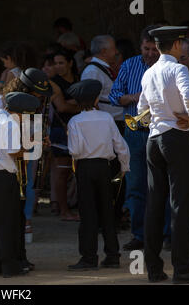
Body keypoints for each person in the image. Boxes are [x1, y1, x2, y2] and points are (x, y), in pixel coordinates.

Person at [139, 26, 189, 284]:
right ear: (177, 45)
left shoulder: (149, 73)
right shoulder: (178, 69)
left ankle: (154, 268)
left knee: (155, 204)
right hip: (175, 138)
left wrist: (160, 119)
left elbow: (141, 110)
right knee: (180, 204)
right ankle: (182, 268)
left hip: (153, 139)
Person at [109, 25, 172, 251]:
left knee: (164, 185)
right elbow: (114, 96)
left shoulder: (170, 66)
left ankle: (166, 234)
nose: (150, 54)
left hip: (162, 130)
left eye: (154, 49)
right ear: (141, 46)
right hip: (135, 133)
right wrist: (134, 97)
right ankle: (140, 234)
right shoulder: (129, 65)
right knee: (136, 186)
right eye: (146, 49)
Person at [67, 79, 129, 271]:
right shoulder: (106, 118)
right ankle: (112, 255)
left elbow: (75, 151)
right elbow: (121, 146)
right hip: (105, 167)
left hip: (85, 168)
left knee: (88, 214)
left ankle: (88, 258)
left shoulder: (74, 121)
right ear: (95, 99)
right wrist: (124, 168)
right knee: (107, 212)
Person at [0, 91, 40, 278]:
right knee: (7, 224)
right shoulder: (10, 123)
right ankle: (9, 267)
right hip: (4, 176)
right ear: (20, 112)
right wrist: (32, 146)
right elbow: (14, 152)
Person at [50, 49, 80, 220]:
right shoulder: (53, 83)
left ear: (70, 63)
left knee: (77, 170)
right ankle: (64, 211)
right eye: (56, 63)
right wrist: (80, 104)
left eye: (61, 63)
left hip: (78, 128)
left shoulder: (78, 79)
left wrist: (73, 103)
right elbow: (61, 107)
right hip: (61, 129)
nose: (58, 66)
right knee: (62, 171)